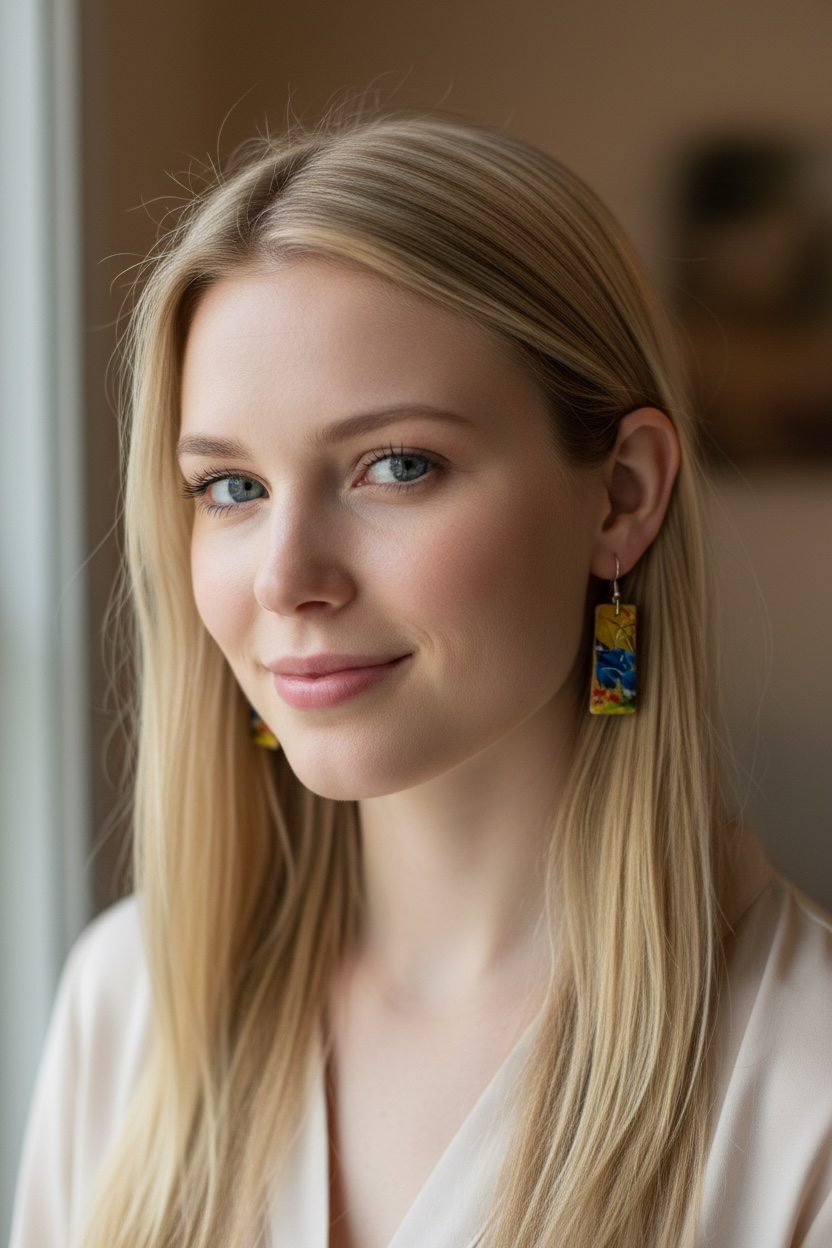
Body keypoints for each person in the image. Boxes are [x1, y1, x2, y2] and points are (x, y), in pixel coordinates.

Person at [10, 111, 832, 1248]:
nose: (286, 579)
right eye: (230, 488)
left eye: (395, 465)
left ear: (622, 497)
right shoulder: (130, 1009)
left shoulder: (803, 1085)